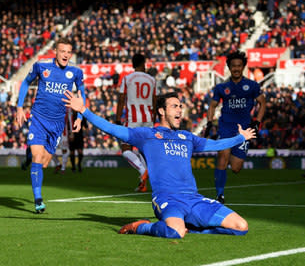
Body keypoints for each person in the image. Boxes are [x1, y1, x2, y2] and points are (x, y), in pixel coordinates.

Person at [63, 91, 254, 239]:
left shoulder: (187, 137)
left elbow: (215, 145)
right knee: (175, 232)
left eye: (180, 106)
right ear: (162, 111)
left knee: (241, 227)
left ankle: (194, 229)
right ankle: (142, 227)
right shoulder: (147, 135)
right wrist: (84, 111)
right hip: (167, 199)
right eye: (174, 106)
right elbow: (113, 129)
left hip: (193, 199)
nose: (179, 110)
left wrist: (240, 138)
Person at [16, 37, 86, 213]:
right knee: (38, 158)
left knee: (45, 162)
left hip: (57, 124)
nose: (66, 55)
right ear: (55, 51)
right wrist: (19, 107)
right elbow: (25, 82)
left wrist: (79, 117)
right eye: (62, 51)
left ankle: (30, 158)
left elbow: (81, 94)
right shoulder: (42, 66)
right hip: (38, 119)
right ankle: (38, 200)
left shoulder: (76, 73)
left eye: (69, 52)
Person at [204, 51, 266, 203]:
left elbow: (262, 103)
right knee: (222, 157)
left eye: (239, 66)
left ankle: (230, 152)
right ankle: (219, 195)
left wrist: (257, 122)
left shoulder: (252, 85)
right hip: (225, 127)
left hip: (244, 131)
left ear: (243, 67)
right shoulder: (221, 87)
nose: (236, 69)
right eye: (233, 66)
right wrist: (210, 122)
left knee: (236, 168)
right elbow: (212, 105)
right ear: (229, 67)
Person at [115, 53, 155, 192]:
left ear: (133, 64)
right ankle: (143, 183)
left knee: (126, 150)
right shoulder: (151, 80)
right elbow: (154, 101)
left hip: (133, 120)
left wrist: (117, 118)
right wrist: (153, 120)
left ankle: (142, 170)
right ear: (143, 63)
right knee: (143, 152)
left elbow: (121, 99)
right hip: (148, 121)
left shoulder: (127, 79)